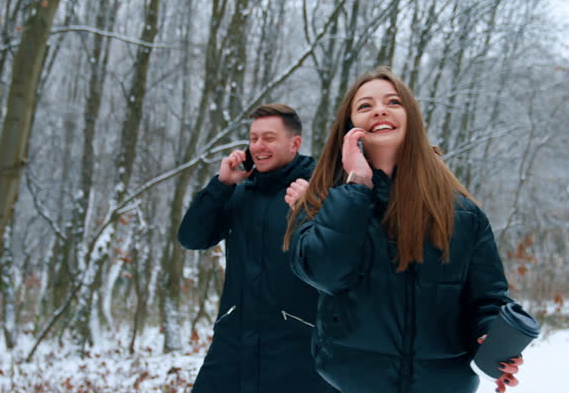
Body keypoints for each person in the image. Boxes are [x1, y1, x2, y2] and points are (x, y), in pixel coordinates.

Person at [283, 67, 523, 393]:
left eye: (393, 102)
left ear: (411, 118)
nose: (380, 110)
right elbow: (326, 273)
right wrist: (357, 185)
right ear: (350, 127)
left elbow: (486, 299)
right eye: (365, 106)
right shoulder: (322, 204)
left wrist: (491, 336)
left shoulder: (464, 215)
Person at [178, 104, 334, 393]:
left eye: (269, 138)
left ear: (294, 143)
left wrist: (313, 210)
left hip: (297, 350)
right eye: (253, 138)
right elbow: (192, 238)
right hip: (233, 344)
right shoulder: (238, 191)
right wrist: (221, 184)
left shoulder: (319, 191)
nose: (258, 146)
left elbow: (337, 264)